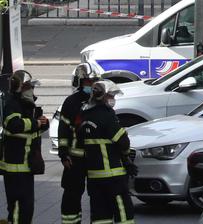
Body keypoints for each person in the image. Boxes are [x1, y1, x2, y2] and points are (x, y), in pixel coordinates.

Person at [78, 80, 134, 224]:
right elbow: (123, 142)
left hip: (94, 178)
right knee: (123, 214)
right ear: (103, 96)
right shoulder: (108, 116)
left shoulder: (85, 116)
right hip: (114, 176)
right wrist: (126, 156)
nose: (113, 99)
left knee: (100, 216)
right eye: (111, 95)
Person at [2, 69, 48, 224]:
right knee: (16, 209)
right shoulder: (12, 104)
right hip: (15, 169)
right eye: (29, 87)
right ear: (20, 88)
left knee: (27, 209)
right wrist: (36, 123)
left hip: (27, 168)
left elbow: (32, 131)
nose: (32, 90)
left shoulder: (27, 105)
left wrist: (43, 123)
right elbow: (13, 124)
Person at [57, 63, 99, 224]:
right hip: (75, 160)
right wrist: (63, 154)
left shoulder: (99, 101)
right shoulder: (71, 102)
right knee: (71, 195)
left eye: (94, 81)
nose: (91, 85)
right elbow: (63, 130)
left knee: (98, 195)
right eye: (88, 82)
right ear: (80, 83)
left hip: (96, 158)